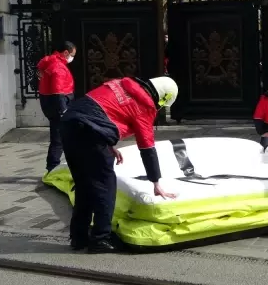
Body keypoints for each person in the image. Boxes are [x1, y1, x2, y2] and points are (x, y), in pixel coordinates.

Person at [60, 76, 178, 253]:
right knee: (105, 186)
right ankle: (100, 238)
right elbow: (147, 148)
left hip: (69, 125)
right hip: (91, 133)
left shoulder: (121, 84)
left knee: (85, 184)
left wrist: (108, 144)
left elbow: (101, 110)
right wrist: (155, 182)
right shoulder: (143, 105)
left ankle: (79, 237)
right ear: (162, 98)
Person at [38, 41, 77, 172]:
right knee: (59, 139)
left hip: (51, 104)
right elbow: (58, 91)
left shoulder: (51, 62)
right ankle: (52, 167)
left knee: (59, 138)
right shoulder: (58, 67)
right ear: (66, 52)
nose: (72, 58)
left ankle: (54, 166)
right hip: (59, 106)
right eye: (72, 55)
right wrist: (63, 111)